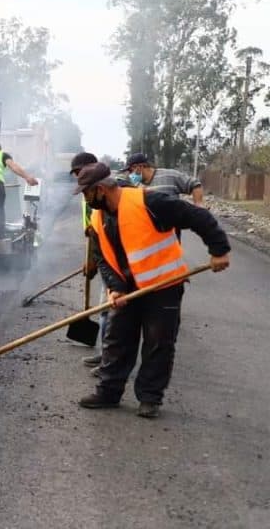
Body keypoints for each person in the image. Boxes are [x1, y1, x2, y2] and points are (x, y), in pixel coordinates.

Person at [73, 162, 230, 418]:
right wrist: (115, 288)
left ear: (100, 189)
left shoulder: (150, 201)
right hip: (128, 289)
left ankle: (149, 398)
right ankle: (108, 392)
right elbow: (104, 258)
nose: (85, 199)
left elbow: (197, 216)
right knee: (116, 340)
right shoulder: (98, 217)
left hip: (163, 286)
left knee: (158, 343)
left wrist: (219, 250)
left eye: (86, 193)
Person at [70, 152, 110, 376]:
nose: (76, 177)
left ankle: (109, 359)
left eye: (77, 172)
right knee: (106, 309)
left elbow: (104, 230)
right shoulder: (90, 189)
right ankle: (106, 354)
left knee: (108, 310)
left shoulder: (101, 190)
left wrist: (94, 260)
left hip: (110, 257)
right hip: (98, 249)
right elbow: (92, 228)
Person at [121, 153, 204, 205]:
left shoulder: (169, 176)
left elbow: (195, 184)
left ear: (140, 166)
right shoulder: (134, 186)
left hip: (170, 231)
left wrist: (198, 205)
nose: (130, 174)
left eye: (130, 170)